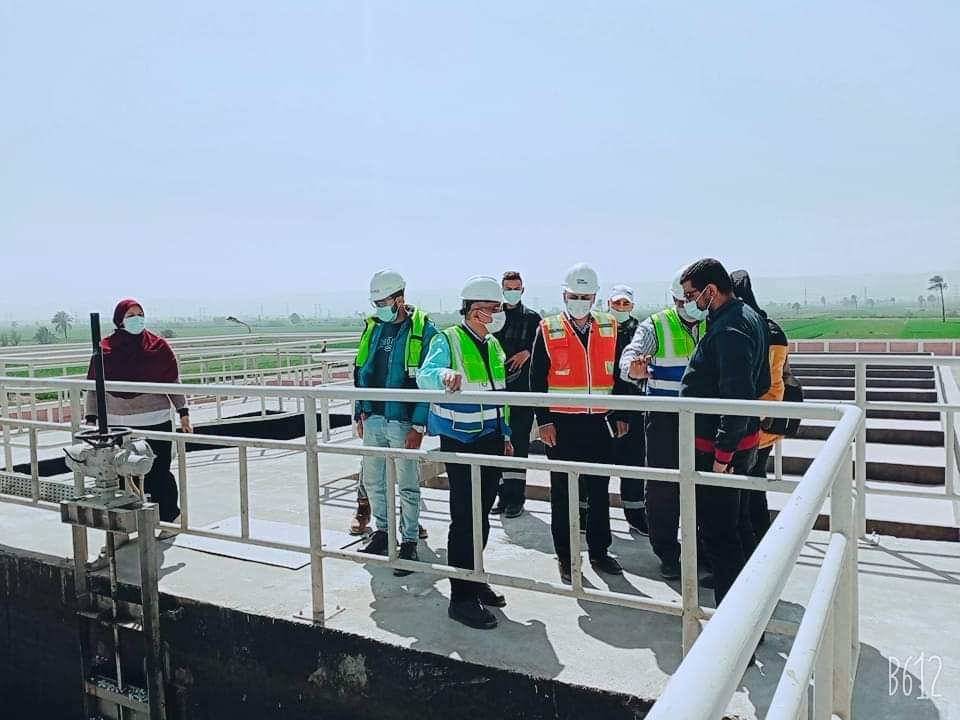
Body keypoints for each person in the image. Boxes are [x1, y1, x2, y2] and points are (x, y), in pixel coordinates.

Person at [417, 275, 513, 629]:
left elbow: (499, 393)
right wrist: (443, 375)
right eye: (494, 308)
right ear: (475, 310)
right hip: (460, 441)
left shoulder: (493, 344)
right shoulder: (448, 340)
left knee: (482, 514)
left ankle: (474, 578)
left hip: (490, 438)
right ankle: (460, 598)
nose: (499, 313)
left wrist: (505, 432)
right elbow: (425, 375)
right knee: (464, 518)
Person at [530, 263, 634, 584]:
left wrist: (621, 413)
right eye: (574, 296)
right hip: (561, 426)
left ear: (594, 298)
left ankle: (600, 552)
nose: (579, 302)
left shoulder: (609, 327)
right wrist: (543, 421)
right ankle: (566, 556)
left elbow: (621, 374)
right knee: (563, 494)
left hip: (599, 424)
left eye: (585, 296)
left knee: (599, 490)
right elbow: (536, 379)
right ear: (564, 295)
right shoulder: (548, 329)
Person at [678, 259, 770, 607]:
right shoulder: (747, 316)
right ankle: (750, 609)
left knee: (721, 535)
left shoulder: (729, 329)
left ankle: (733, 620)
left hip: (721, 449)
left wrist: (721, 456)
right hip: (743, 441)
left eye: (691, 296)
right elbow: (759, 383)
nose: (689, 302)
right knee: (739, 527)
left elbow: (736, 397)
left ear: (710, 290)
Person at [620, 270, 707, 579]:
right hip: (665, 418)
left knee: (704, 486)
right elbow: (629, 358)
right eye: (684, 300)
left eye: (694, 298)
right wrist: (633, 370)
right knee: (663, 488)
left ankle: (703, 551)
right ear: (675, 300)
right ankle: (668, 554)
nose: (691, 305)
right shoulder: (656, 325)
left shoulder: (712, 322)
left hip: (703, 418)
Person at [354, 270, 439, 576]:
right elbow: (361, 369)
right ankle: (383, 533)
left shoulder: (424, 331)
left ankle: (410, 540)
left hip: (403, 421)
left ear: (400, 299)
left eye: (384, 302)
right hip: (375, 417)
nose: (379, 308)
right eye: (376, 303)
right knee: (373, 481)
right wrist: (360, 412)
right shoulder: (373, 328)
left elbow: (428, 382)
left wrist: (418, 426)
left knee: (408, 485)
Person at [84, 299, 192, 522]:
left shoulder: (158, 347)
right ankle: (131, 521)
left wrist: (183, 412)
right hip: (117, 424)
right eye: (131, 315)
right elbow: (94, 388)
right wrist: (91, 419)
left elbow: (172, 382)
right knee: (122, 475)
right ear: (119, 320)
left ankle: (169, 518)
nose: (137, 319)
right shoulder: (105, 349)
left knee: (159, 473)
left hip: (155, 421)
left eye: (140, 314)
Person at [731, 269, 789, 555]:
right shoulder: (773, 328)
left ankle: (752, 554)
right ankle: (764, 549)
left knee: (743, 496)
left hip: (751, 423)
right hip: (769, 419)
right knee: (756, 487)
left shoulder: (746, 327)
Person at [492, 270, 541, 518]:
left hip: (522, 391)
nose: (512, 292)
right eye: (508, 288)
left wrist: (527, 353)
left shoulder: (532, 319)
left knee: (519, 443)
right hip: (497, 391)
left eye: (516, 288)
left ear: (523, 290)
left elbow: (542, 349)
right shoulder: (493, 317)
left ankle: (516, 498)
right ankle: (502, 495)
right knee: (497, 443)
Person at [607, 284, 648, 536]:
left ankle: (636, 515)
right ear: (608, 304)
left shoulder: (641, 332)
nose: (621, 308)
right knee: (597, 466)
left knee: (634, 465)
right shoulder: (600, 330)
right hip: (604, 408)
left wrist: (625, 413)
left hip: (634, 407)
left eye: (625, 304)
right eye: (617, 303)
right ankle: (587, 515)